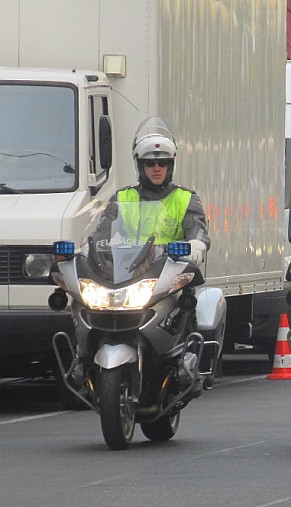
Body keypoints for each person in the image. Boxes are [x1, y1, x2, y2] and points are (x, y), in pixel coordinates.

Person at [99, 116, 211, 397]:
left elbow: (198, 229)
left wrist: (196, 245)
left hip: (168, 273)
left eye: (163, 163)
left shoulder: (185, 198)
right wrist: (90, 248)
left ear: (171, 165)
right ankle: (83, 358)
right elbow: (102, 232)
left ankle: (188, 364)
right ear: (141, 166)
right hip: (128, 274)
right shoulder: (123, 198)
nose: (157, 168)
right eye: (150, 163)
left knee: (187, 304)